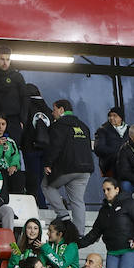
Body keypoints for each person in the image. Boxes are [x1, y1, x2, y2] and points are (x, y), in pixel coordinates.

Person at [43, 99, 93, 231]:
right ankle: (79, 234)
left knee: (46, 185)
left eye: (54, 110)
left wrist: (48, 163)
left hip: (68, 167)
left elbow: (55, 146)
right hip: (85, 169)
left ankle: (63, 215)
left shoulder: (59, 125)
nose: (52, 113)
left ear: (61, 110)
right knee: (77, 201)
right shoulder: (84, 126)